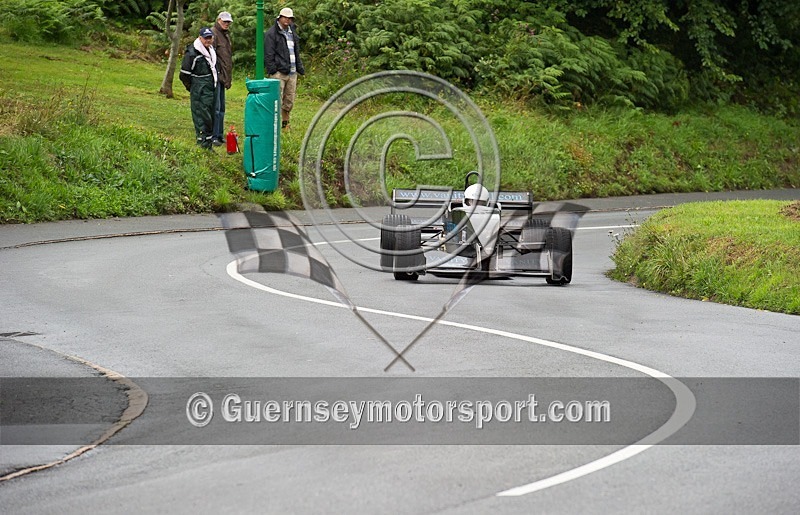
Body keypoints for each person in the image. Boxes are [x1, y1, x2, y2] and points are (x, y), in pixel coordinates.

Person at [264, 7, 305, 130]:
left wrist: (299, 67)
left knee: (289, 100)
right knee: (276, 99)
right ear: (280, 18)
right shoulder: (271, 33)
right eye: (285, 17)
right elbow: (268, 54)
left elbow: (296, 51)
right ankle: (273, 126)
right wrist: (273, 70)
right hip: (279, 73)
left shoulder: (292, 32)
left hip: (292, 71)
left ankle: (285, 124)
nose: (287, 20)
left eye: (290, 18)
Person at [180, 27, 218, 149]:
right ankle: (202, 144)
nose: (208, 40)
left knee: (210, 116)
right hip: (199, 90)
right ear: (200, 38)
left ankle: (208, 144)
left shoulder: (211, 50)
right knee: (201, 117)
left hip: (210, 89)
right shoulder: (192, 53)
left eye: (210, 38)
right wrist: (193, 87)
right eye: (206, 38)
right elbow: (184, 75)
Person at [211, 11, 233, 146]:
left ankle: (219, 134)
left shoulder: (225, 35)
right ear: (218, 20)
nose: (226, 24)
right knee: (216, 108)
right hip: (216, 76)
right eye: (224, 21)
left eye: (228, 22)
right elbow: (212, 56)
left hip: (223, 75)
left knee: (222, 108)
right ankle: (214, 136)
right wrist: (217, 74)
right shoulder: (213, 34)